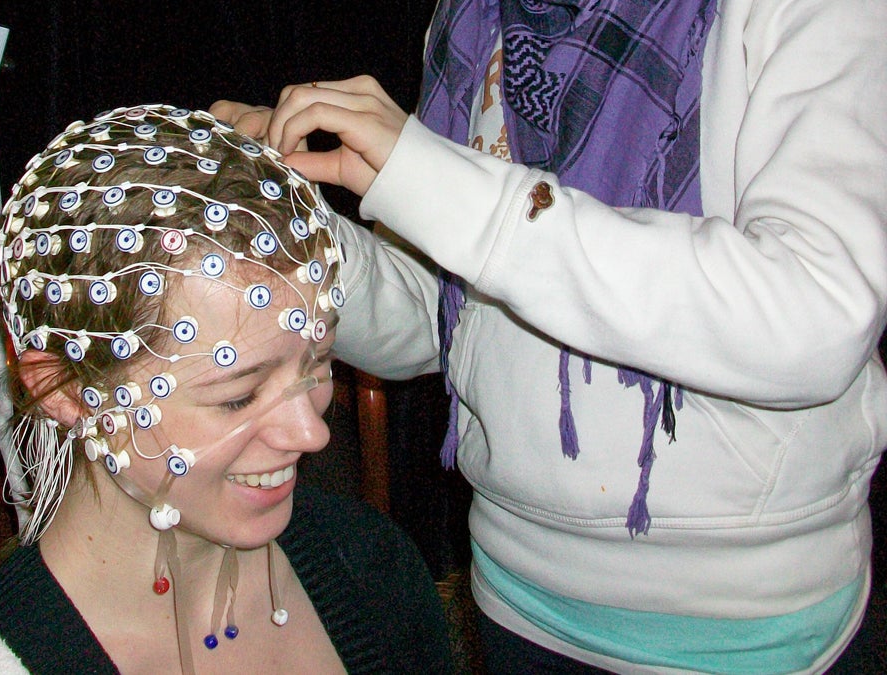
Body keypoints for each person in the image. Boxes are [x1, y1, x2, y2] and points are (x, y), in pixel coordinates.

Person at [212, 0, 887, 672]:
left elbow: (817, 316)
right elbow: (444, 318)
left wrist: (444, 186)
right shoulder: (474, 18)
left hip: (748, 628)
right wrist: (294, 237)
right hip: (516, 596)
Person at [0, 104, 453, 674]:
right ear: (65, 389)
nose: (313, 433)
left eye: (317, 363)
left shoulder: (370, 568)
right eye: (237, 394)